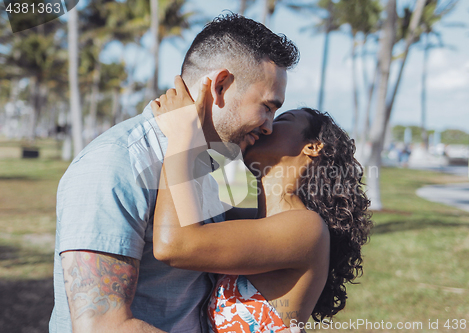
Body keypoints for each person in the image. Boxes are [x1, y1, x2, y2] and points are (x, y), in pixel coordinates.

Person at [49, 14, 299, 333]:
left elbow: (248, 236)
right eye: (267, 106)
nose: (269, 126)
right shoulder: (117, 162)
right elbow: (103, 325)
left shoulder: (221, 158)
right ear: (220, 86)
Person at [151, 78, 373, 331]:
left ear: (312, 147)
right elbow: (218, 141)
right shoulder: (248, 203)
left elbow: (174, 244)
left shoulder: (306, 228)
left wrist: (181, 134)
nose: (266, 126)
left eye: (281, 120)